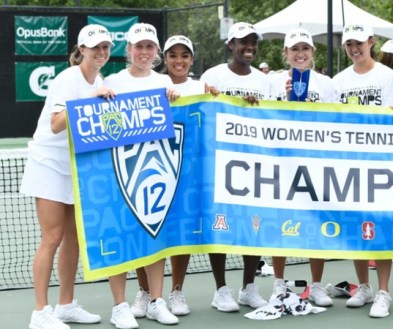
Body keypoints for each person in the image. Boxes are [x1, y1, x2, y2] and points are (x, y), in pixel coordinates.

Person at [21, 23, 113, 329]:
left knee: (74, 236)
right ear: (82, 49)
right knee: (53, 236)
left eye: (106, 47)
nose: (102, 52)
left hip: (76, 166)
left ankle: (65, 305)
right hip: (48, 162)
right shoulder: (68, 79)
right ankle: (39, 312)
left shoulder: (99, 79)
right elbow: (57, 124)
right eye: (96, 47)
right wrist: (92, 101)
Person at [103, 22, 181, 328]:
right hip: (121, 173)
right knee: (120, 239)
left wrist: (175, 98)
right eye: (139, 47)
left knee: (155, 238)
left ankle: (156, 302)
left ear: (156, 51)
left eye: (150, 47)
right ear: (129, 51)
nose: (144, 52)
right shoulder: (113, 81)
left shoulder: (164, 82)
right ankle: (119, 306)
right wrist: (101, 95)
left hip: (156, 173)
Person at [198, 22, 270, 313]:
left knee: (254, 225)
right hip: (218, 164)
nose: (249, 46)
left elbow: (273, 117)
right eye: (242, 42)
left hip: (255, 164)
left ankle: (249, 288)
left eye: (253, 41)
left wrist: (255, 107)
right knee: (221, 226)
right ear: (231, 45)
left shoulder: (266, 81)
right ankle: (220, 290)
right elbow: (199, 111)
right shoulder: (212, 76)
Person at [332, 23, 393, 318]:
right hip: (350, 164)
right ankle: (364, 286)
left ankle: (383, 291)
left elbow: (392, 118)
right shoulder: (338, 80)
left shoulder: (387, 76)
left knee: (381, 227)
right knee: (356, 227)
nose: (354, 48)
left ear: (371, 42)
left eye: (359, 42)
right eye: (349, 44)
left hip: (381, 163)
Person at [131, 34, 202, 319]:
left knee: (179, 232)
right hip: (151, 167)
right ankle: (146, 292)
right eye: (173, 55)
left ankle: (176, 291)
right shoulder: (157, 85)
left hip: (189, 169)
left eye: (185, 55)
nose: (179, 61)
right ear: (165, 58)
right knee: (145, 227)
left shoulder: (201, 87)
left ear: (192, 60)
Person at [268, 27, 335, 307]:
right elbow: (263, 118)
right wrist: (284, 100)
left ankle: (317, 285)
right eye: (294, 49)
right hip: (282, 162)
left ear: (312, 53)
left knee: (317, 222)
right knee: (279, 225)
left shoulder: (327, 83)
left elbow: (337, 122)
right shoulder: (271, 81)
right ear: (285, 53)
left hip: (317, 162)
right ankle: (278, 284)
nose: (300, 54)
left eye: (305, 49)